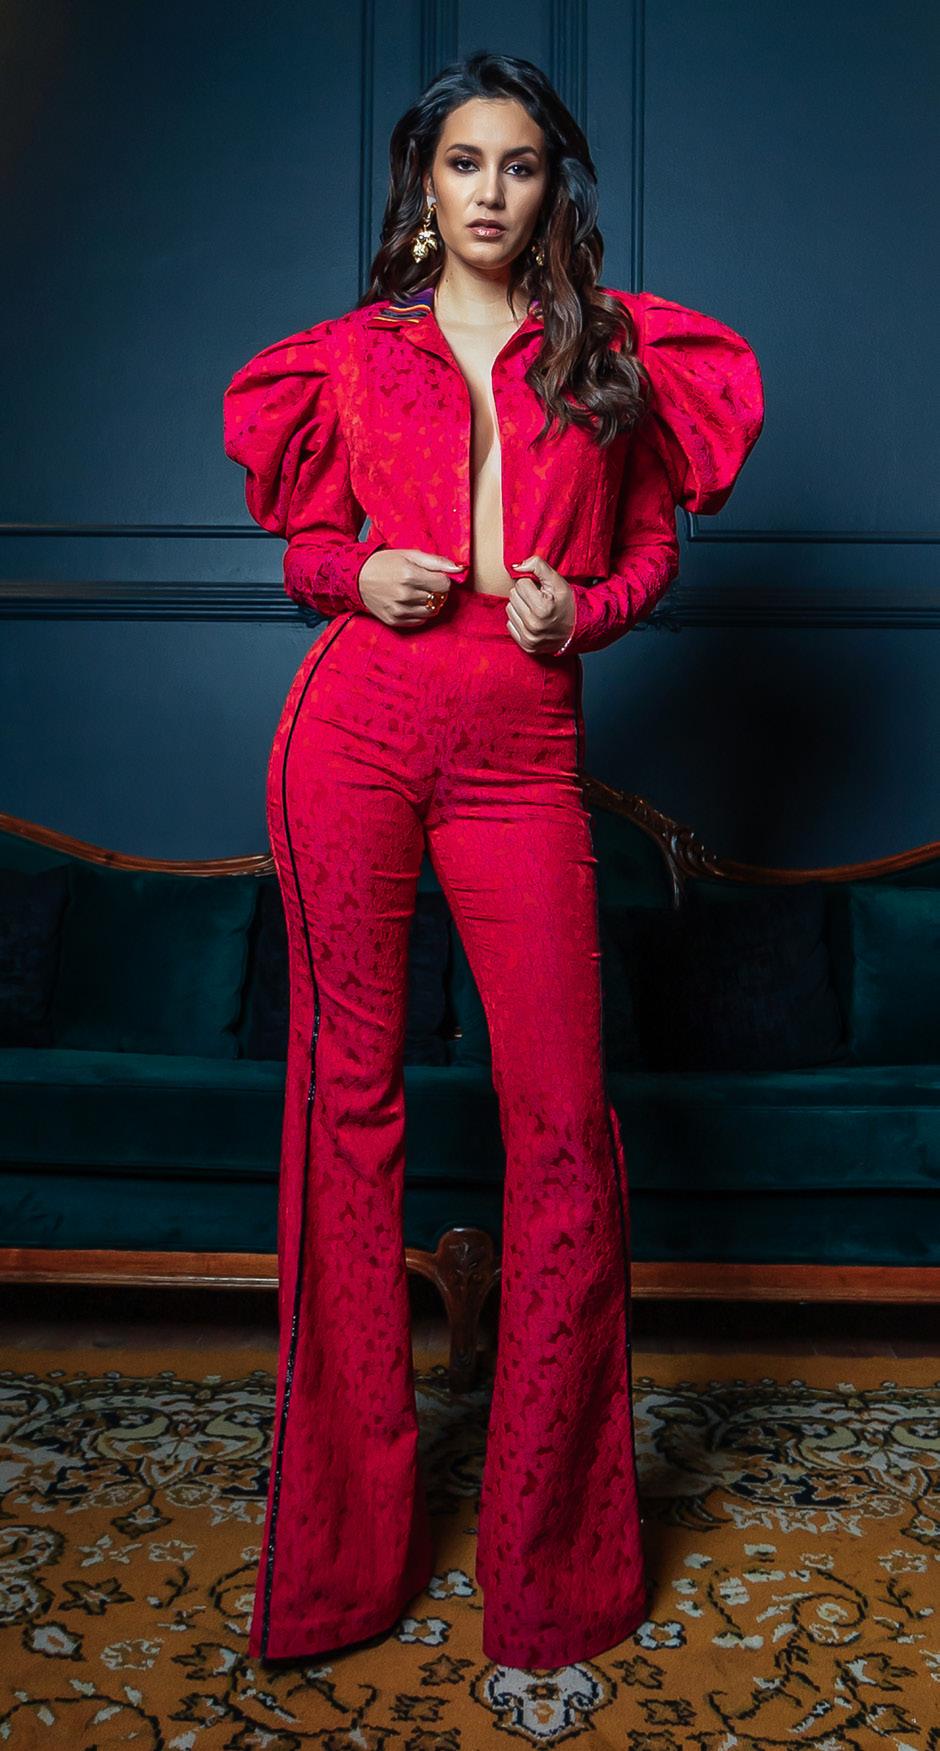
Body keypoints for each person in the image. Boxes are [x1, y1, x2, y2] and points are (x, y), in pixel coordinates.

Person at [222, 49, 764, 1673]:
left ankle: (554, 1575)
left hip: (523, 761)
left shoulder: (615, 354)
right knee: (346, 1118)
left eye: (520, 164)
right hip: (353, 738)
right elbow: (304, 546)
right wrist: (352, 574)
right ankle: (337, 1569)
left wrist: (581, 610)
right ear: (424, 180)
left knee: (564, 1130)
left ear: (551, 188)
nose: (490, 191)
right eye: (465, 161)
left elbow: (653, 547)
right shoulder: (347, 356)